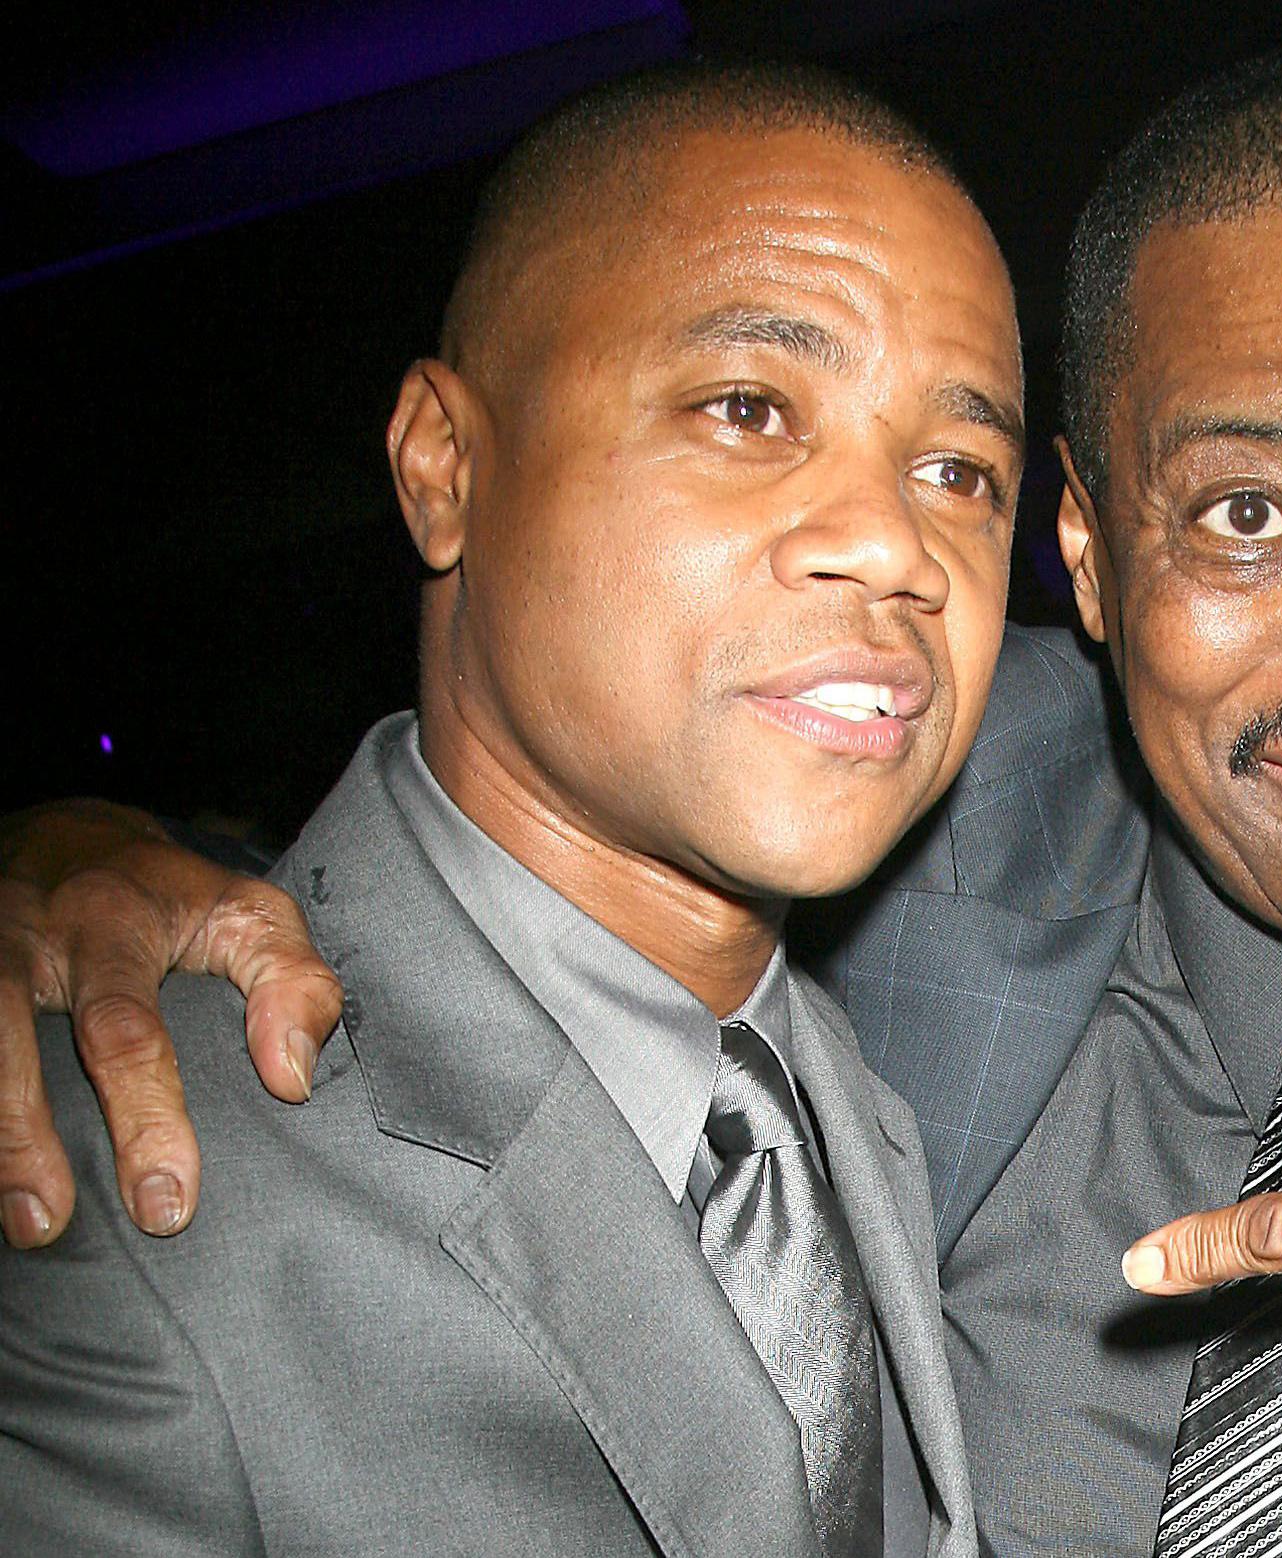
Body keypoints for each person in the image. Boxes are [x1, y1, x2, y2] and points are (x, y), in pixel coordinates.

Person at [5, 46, 1282, 1558]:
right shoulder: (885, 804)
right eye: (1247, 510)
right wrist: (74, 866)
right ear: (1086, 561)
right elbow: (474, 898)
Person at [0, 60, 1035, 1557]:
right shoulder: (115, 1187)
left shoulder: (849, 1099)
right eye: (749, 407)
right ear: (445, 467)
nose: (896, 543)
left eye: (958, 467)